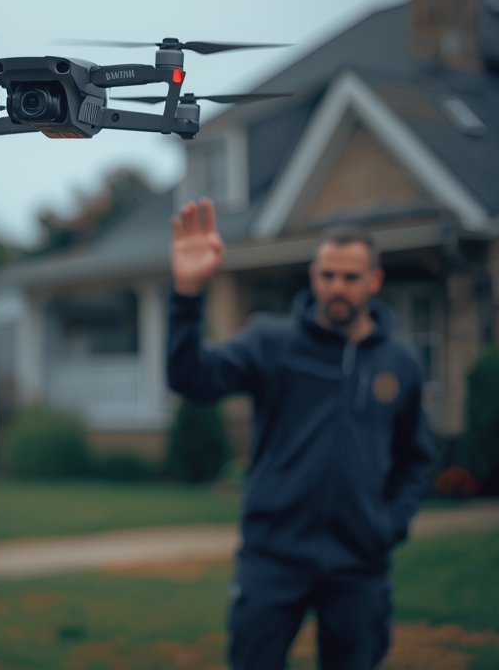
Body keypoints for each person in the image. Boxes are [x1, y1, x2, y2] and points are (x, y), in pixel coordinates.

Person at [166, 197, 435, 670]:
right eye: (327, 274)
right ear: (314, 274)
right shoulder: (271, 344)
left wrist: (388, 525)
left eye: (350, 278)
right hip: (273, 558)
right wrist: (188, 294)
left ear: (373, 281)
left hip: (360, 566)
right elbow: (191, 378)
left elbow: (417, 456)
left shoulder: (400, 362)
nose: (336, 287)